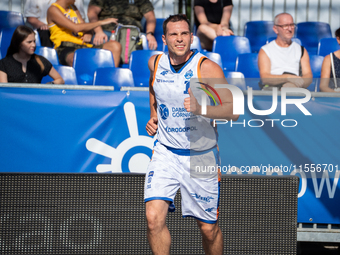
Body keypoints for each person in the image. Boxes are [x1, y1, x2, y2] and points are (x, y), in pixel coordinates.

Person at [144, 14, 238, 255]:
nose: (179, 39)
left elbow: (233, 110)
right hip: (165, 151)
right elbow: (154, 86)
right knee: (153, 218)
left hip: (200, 155)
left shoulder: (206, 67)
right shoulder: (155, 63)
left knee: (208, 229)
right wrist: (153, 114)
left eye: (184, 33)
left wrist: (201, 108)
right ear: (164, 39)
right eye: (174, 34)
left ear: (191, 37)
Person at [47, 0, 122, 67]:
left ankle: (107, 78)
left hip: (83, 45)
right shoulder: (53, 9)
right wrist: (101, 22)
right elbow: (76, 28)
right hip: (65, 46)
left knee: (115, 46)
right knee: (75, 59)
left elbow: (83, 26)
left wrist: (89, 33)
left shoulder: (73, 7)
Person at [258, 13, 313, 90]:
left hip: (295, 89)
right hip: (272, 90)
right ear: (275, 29)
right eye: (285, 26)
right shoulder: (265, 50)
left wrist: (295, 85)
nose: (290, 29)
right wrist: (288, 78)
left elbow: (308, 76)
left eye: (292, 25)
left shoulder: (301, 50)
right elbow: (265, 78)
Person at [87, 0, 157, 50]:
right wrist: (98, 31)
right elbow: (92, 12)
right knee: (99, 41)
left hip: (133, 34)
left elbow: (150, 17)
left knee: (149, 44)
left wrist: (150, 34)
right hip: (108, 33)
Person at [320, 28, 340, 92]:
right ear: (338, 39)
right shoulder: (329, 59)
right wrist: (335, 94)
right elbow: (323, 86)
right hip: (334, 98)